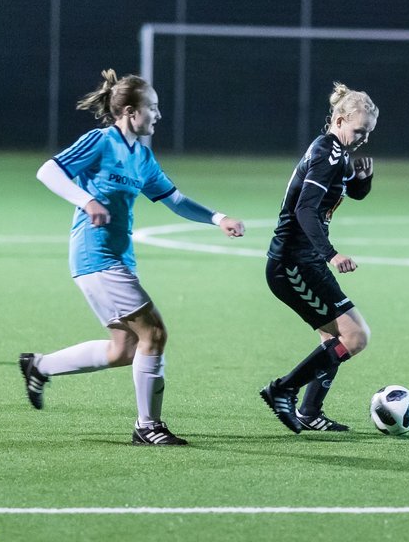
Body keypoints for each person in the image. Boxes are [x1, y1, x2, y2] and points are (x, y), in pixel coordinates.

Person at [18, 69, 245, 446]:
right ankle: (147, 426)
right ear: (128, 111)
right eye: (151, 108)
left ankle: (39, 366)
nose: (157, 115)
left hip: (118, 258)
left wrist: (218, 218)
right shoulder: (101, 142)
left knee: (123, 349)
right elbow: (48, 171)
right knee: (153, 334)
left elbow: (174, 200)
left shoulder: (141, 156)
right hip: (95, 254)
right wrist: (86, 199)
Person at [259, 83, 378, 433]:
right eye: (359, 131)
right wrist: (331, 254)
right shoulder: (328, 154)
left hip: (301, 261)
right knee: (355, 337)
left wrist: (363, 180)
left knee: (333, 339)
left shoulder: (335, 153)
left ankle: (310, 411)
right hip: (293, 263)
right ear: (340, 120)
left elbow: (347, 191)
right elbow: (305, 209)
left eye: (368, 134)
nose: (363, 139)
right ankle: (283, 389)